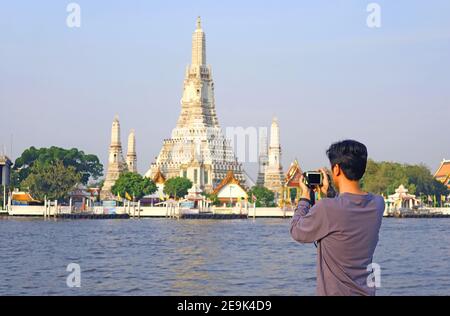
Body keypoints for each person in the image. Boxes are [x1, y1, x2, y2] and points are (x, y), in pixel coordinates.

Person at [290, 140, 385, 296]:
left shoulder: (327, 208)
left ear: (336, 169)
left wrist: (305, 196)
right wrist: (330, 193)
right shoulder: (378, 204)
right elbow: (347, 210)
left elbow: (296, 231)